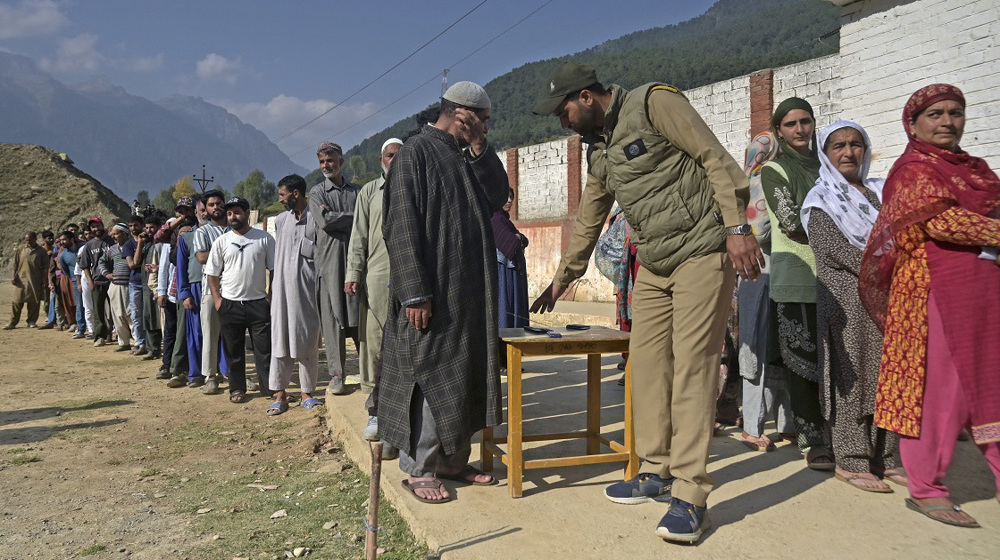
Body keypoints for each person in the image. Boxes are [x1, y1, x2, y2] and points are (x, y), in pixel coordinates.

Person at [529, 63, 760, 543]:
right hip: (655, 264)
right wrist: (561, 280)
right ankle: (656, 469)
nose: (562, 122)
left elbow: (715, 158)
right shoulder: (601, 153)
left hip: (701, 249)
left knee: (694, 367)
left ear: (587, 98)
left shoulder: (654, 103)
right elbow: (589, 218)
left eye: (564, 110)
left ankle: (692, 495)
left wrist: (737, 228)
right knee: (647, 366)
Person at [860, 84, 1000, 527]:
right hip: (932, 293)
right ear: (914, 123)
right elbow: (943, 221)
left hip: (984, 290)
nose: (946, 122)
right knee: (942, 390)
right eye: (935, 114)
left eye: (955, 113)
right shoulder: (912, 170)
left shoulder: (974, 169)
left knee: (993, 382)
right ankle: (926, 487)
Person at [380, 81, 508, 504]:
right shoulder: (415, 153)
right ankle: (419, 469)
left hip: (469, 291)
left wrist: (479, 148)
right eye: (482, 121)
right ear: (461, 113)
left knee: (466, 374)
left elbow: (497, 196)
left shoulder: (466, 153)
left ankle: (453, 461)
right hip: (433, 291)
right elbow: (401, 226)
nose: (486, 128)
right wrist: (414, 292)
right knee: (431, 374)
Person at [802, 121, 903, 492]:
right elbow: (834, 251)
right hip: (846, 301)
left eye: (856, 144)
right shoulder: (821, 199)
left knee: (889, 376)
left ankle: (887, 456)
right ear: (825, 156)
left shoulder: (880, 193)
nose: (848, 152)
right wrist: (891, 263)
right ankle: (851, 458)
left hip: (888, 300)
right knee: (852, 378)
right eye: (838, 146)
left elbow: (903, 234)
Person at [760, 97, 833, 470]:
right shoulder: (774, 170)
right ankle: (810, 437)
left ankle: (844, 434)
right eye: (790, 124)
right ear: (778, 131)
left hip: (839, 277)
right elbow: (790, 221)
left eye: (805, 121)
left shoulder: (830, 164)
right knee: (803, 362)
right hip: (797, 276)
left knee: (837, 359)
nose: (800, 129)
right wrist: (843, 233)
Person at [738, 131, 795, 452]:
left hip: (756, 275)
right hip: (764, 270)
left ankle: (764, 424)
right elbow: (760, 230)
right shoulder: (765, 180)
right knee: (767, 346)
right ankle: (765, 424)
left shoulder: (745, 181)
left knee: (762, 345)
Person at [346, 137, 402, 446]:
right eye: (389, 155)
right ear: (382, 159)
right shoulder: (369, 192)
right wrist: (353, 273)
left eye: (399, 155)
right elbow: (358, 237)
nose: (394, 160)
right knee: (376, 344)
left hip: (411, 280)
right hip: (377, 280)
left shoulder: (416, 186)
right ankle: (376, 411)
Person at [206, 197, 275, 404]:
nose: (232, 217)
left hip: (258, 303)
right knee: (233, 351)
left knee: (264, 351)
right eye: (229, 214)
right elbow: (212, 274)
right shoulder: (222, 241)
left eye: (236, 212)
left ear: (246, 213)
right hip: (230, 304)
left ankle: (269, 389)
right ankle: (237, 389)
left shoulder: (264, 239)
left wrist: (270, 296)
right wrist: (218, 300)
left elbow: (274, 270)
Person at [307, 141, 360, 395]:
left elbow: (368, 220)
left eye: (330, 161)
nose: (326, 166)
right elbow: (324, 222)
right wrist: (354, 217)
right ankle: (337, 375)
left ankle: (371, 372)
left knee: (360, 318)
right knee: (333, 321)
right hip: (328, 267)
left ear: (341, 162)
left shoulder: (358, 192)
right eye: (321, 162)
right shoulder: (317, 193)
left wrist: (338, 216)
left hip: (357, 265)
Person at [267, 175, 322, 415]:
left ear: (296, 194)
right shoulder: (280, 221)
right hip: (280, 293)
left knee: (307, 340)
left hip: (306, 292)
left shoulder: (315, 219)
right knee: (280, 341)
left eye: (283, 194)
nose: (280, 199)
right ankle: (279, 394)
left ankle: (307, 393)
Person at [193, 190, 230, 394]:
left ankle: (235, 374)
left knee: (233, 335)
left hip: (234, 289)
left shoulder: (234, 229)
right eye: (211, 204)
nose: (216, 207)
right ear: (205, 210)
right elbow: (201, 257)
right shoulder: (203, 232)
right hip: (210, 289)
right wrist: (228, 251)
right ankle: (210, 376)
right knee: (210, 334)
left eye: (219, 203)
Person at [492, 187, 530, 329]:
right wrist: (519, 239)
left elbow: (523, 240)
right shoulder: (495, 219)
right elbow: (512, 244)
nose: (509, 200)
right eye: (506, 197)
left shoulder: (505, 221)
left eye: (511, 197)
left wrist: (520, 238)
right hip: (504, 275)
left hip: (513, 274)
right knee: (505, 310)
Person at [98, 223, 135, 352]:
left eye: (115, 233)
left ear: (124, 234)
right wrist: (106, 274)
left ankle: (137, 341)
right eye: (112, 234)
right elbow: (101, 262)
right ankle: (123, 342)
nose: (112, 236)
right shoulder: (112, 249)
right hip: (115, 286)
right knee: (118, 315)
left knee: (131, 314)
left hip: (130, 285)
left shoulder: (133, 246)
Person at [78, 218, 113, 346]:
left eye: (97, 226)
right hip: (97, 280)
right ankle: (99, 336)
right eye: (93, 227)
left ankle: (113, 333)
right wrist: (90, 281)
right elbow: (85, 265)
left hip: (114, 280)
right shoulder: (89, 245)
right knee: (98, 311)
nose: (95, 229)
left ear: (102, 225)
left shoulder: (112, 241)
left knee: (114, 309)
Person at [5, 232, 47, 330]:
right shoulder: (21, 249)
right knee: (17, 301)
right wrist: (12, 276)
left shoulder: (41, 251)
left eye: (29, 239)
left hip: (35, 279)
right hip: (21, 279)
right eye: (26, 239)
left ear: (35, 238)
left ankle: (31, 321)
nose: (27, 241)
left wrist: (45, 280)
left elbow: (45, 267)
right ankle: (12, 322)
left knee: (34, 302)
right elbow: (15, 264)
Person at [138, 215, 163, 360]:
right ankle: (152, 348)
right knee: (148, 316)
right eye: (146, 228)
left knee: (158, 317)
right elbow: (136, 261)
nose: (149, 230)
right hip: (146, 284)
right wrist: (140, 243)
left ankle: (158, 348)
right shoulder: (146, 244)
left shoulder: (161, 244)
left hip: (158, 284)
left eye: (152, 227)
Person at [121, 215, 148, 355]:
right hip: (135, 283)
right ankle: (141, 343)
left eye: (136, 225)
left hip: (149, 282)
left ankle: (151, 343)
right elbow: (133, 264)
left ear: (141, 225)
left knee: (149, 314)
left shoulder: (150, 240)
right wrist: (139, 244)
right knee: (137, 315)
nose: (133, 228)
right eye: (130, 226)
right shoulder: (129, 244)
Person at [55, 231, 83, 339]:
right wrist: (75, 279)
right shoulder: (62, 256)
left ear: (71, 239)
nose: (62, 242)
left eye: (64, 239)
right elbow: (65, 271)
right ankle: (80, 329)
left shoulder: (83, 247)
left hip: (89, 280)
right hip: (76, 282)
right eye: (60, 240)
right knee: (79, 306)